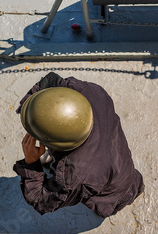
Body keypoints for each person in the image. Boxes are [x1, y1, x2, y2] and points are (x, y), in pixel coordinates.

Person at [13, 72, 144, 218]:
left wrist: (31, 163)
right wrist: (33, 105)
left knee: (106, 202)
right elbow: (52, 80)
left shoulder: (74, 177)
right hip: (120, 162)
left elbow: (41, 201)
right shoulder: (94, 92)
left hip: (114, 196)